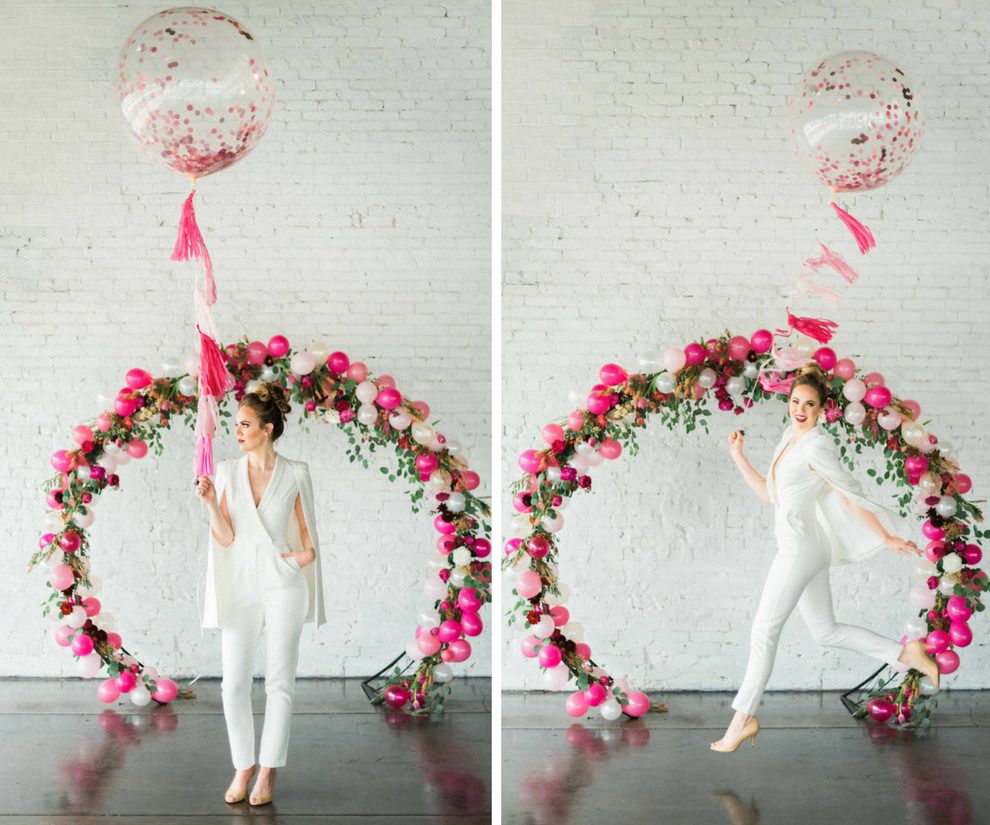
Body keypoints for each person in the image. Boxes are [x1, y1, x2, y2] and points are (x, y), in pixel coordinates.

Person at [711, 364, 939, 753]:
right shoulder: (790, 437)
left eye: (809, 404)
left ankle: (743, 718)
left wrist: (886, 537)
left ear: (821, 409)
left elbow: (849, 494)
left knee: (764, 631)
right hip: (804, 547)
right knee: (825, 632)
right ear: (789, 402)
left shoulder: (817, 445)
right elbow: (770, 495)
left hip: (799, 550)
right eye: (796, 401)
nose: (800, 408)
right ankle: (904, 654)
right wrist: (738, 455)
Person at [194, 382, 327, 802]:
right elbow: (226, 538)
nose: (237, 431)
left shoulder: (296, 472)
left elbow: (309, 537)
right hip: (241, 584)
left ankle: (268, 773)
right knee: (232, 685)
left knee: (279, 683)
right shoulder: (229, 472)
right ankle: (243, 765)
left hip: (283, 585)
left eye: (245, 424)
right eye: (236, 424)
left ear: (267, 428)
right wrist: (212, 503)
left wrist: (297, 560)